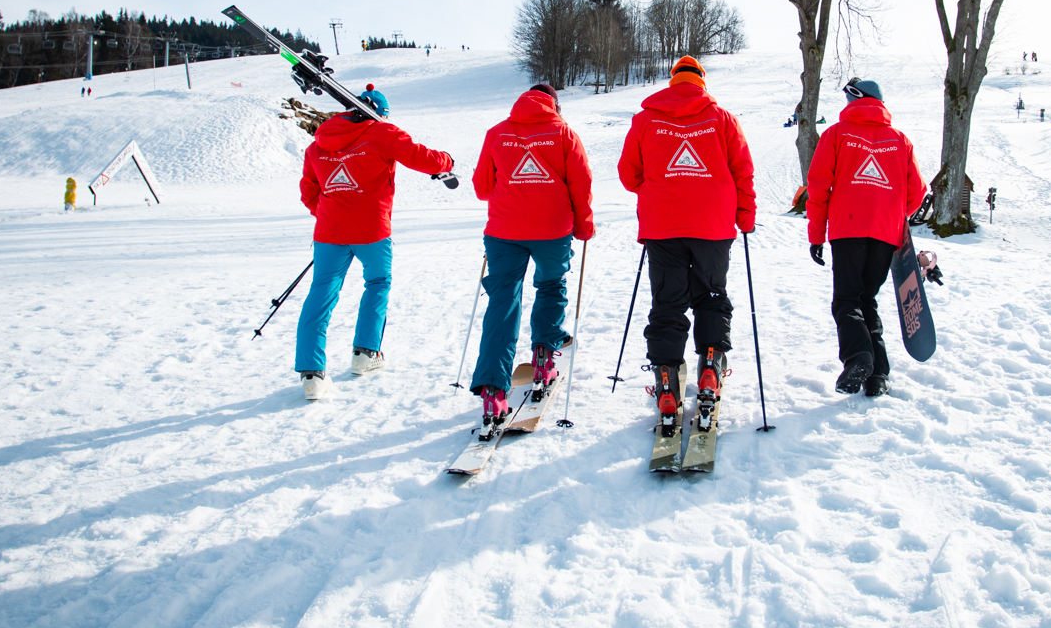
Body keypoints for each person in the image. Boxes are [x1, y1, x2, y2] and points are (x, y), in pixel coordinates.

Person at [618, 56, 755, 435]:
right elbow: (742, 171)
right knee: (711, 296)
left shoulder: (646, 120)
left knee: (667, 303)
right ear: (702, 84)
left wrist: (660, 185)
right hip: (714, 225)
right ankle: (710, 369)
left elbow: (628, 175)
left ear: (673, 81)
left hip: (663, 226)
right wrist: (745, 215)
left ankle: (666, 385)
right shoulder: (723, 120)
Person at [294, 83, 455, 401]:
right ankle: (366, 353)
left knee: (321, 293)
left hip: (329, 233)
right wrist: (447, 161)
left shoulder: (317, 145)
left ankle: (311, 374)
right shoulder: (382, 133)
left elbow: (309, 192)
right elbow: (421, 157)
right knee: (378, 283)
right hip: (373, 231)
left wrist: (332, 215)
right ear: (379, 114)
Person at [468, 83, 594, 436]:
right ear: (554, 105)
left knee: (503, 301)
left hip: (504, 231)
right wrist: (584, 226)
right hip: (553, 231)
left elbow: (482, 188)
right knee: (551, 286)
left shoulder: (497, 133)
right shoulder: (564, 134)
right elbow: (581, 183)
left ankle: (493, 392)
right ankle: (543, 359)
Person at [805, 78, 926, 396]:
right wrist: (891, 214)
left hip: (847, 230)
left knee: (847, 300)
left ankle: (858, 357)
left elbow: (818, 188)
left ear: (855, 100)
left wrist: (817, 235)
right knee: (866, 299)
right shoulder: (900, 140)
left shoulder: (836, 134)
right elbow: (918, 191)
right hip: (886, 233)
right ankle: (878, 376)